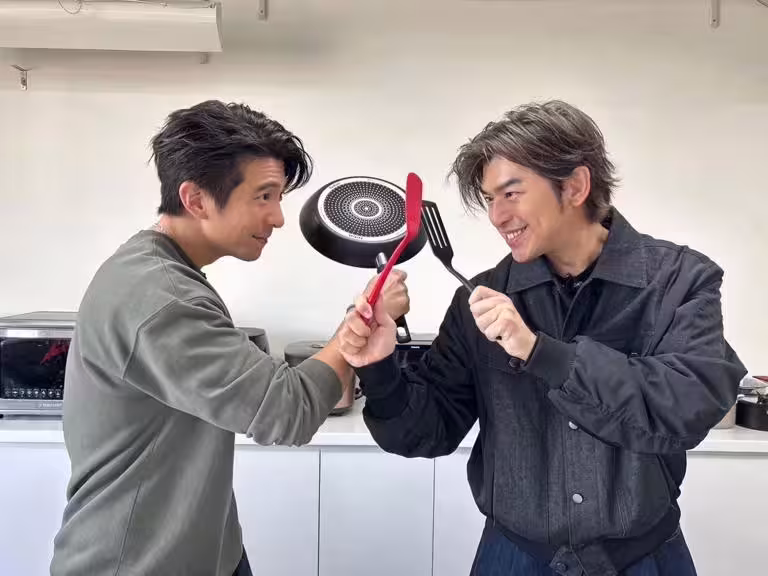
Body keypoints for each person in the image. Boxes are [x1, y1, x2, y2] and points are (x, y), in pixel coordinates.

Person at [337, 100, 747, 576]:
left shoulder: (678, 280)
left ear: (574, 186)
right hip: (513, 556)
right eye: (489, 199)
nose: (497, 216)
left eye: (511, 193)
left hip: (644, 557)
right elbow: (429, 430)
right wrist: (380, 369)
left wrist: (541, 353)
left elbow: (689, 406)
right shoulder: (482, 299)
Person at [50, 100, 408, 576]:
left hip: (210, 551)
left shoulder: (159, 269)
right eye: (263, 196)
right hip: (139, 563)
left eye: (278, 197)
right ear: (196, 199)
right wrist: (355, 330)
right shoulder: (162, 298)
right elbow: (288, 411)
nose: (278, 217)